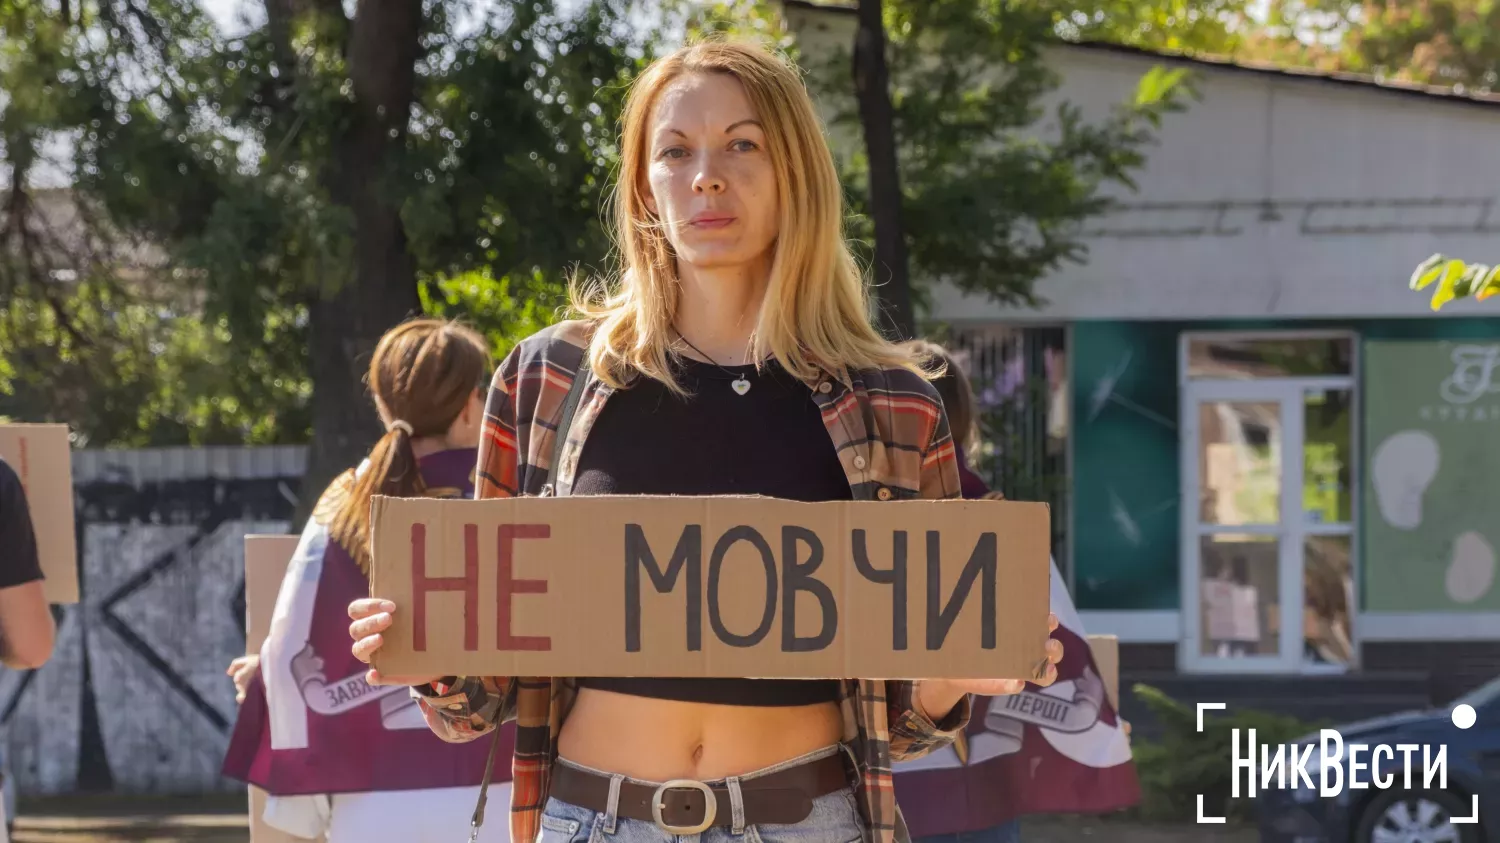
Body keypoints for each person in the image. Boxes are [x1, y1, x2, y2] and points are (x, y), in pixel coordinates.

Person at [347, 38, 1064, 843]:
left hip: (807, 822)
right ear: (644, 188)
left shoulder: (894, 404)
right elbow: (481, 699)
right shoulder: (547, 377)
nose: (706, 176)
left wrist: (952, 679)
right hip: (594, 822)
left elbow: (897, 722)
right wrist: (429, 655)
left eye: (742, 145)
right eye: (675, 151)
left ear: (794, 171)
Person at [222, 318, 514, 843]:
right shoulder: (517, 497)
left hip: (373, 806)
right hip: (504, 791)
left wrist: (263, 672)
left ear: (382, 406)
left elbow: (296, 640)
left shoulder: (345, 502)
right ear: (475, 404)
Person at [896, 342, 1137, 843]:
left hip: (890, 786)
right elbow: (1059, 641)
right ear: (962, 420)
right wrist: (1099, 727)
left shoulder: (853, 527)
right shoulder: (1000, 522)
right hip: (986, 783)